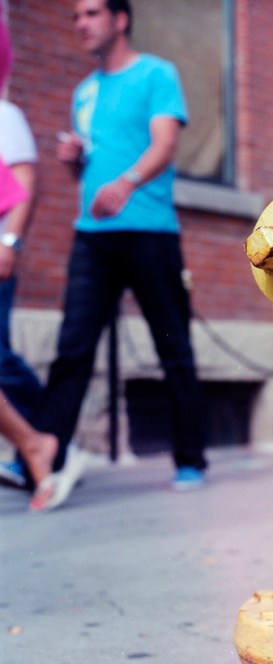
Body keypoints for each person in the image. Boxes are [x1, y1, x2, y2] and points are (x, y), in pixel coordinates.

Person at [32, 0, 207, 508]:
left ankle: (190, 459)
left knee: (172, 346)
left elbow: (163, 145)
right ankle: (47, 458)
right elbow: (86, 172)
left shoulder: (157, 73)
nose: (81, 24)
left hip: (150, 231)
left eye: (90, 13)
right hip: (93, 233)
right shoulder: (83, 92)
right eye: (76, 17)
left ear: (119, 18)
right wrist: (73, 163)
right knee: (72, 347)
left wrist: (127, 181)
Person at [0, 9, 46, 489]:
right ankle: (37, 443)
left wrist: (8, 241)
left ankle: (48, 435)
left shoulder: (5, 115)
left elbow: (25, 184)